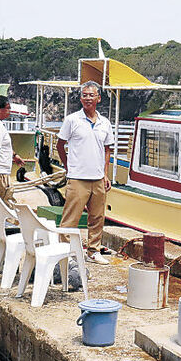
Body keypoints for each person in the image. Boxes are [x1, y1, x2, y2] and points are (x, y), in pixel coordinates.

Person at [56, 81, 114, 264]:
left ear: (99, 98)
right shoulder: (72, 120)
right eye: (85, 95)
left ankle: (93, 251)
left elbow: (107, 150)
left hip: (97, 178)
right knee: (70, 218)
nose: (88, 98)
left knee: (97, 217)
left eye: (91, 95)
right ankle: (66, 253)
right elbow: (60, 145)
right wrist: (68, 167)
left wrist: (105, 174)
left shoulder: (105, 123)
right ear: (81, 98)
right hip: (77, 178)